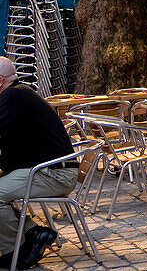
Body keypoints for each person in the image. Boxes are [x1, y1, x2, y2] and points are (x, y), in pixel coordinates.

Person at [0, 57, 75, 268]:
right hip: (45, 170)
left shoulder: (13, 97)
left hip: (53, 174)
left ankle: (15, 250)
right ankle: (34, 232)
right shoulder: (18, 94)